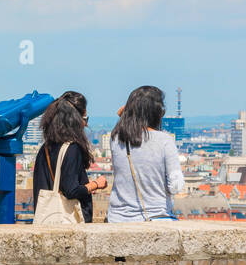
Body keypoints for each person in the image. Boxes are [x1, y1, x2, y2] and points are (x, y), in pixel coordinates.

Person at [107, 85, 184, 222]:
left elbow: (126, 126)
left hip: (118, 218)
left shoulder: (116, 139)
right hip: (155, 218)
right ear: (157, 113)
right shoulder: (164, 140)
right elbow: (176, 185)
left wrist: (126, 114)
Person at [32, 91, 105, 223]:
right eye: (85, 119)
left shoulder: (45, 149)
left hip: (47, 218)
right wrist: (95, 185)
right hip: (67, 222)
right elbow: (71, 190)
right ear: (76, 120)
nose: (86, 124)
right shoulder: (72, 148)